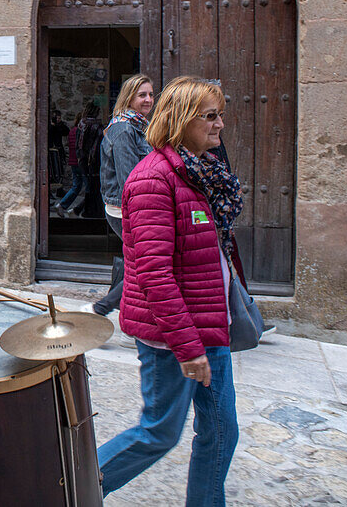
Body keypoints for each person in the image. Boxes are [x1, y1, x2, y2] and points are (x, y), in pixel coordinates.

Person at [97, 76, 241, 506]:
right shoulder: (152, 180)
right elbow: (154, 272)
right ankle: (70, 486)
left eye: (221, 116)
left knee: (221, 430)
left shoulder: (200, 172)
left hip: (210, 327)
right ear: (181, 120)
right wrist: (186, 346)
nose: (219, 126)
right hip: (173, 338)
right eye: (210, 117)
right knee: (159, 432)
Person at [91, 74, 154, 320]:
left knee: (138, 261)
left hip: (135, 208)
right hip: (124, 210)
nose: (148, 99)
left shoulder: (139, 127)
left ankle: (121, 312)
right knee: (144, 264)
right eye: (142, 95)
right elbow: (130, 181)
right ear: (129, 98)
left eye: (150, 94)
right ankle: (103, 308)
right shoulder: (124, 130)